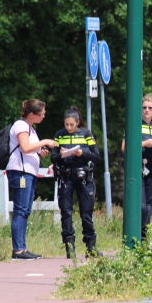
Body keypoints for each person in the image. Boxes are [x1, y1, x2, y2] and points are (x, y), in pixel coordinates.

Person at [7, 99, 56, 260]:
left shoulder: (31, 129)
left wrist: (39, 152)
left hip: (29, 173)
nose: (43, 116)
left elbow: (29, 150)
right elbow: (25, 147)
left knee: (25, 210)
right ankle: (18, 250)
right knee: (20, 210)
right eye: (41, 114)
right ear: (32, 114)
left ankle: (22, 247)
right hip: (21, 172)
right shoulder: (21, 126)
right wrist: (45, 142)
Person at [51, 106, 101, 259]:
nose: (69, 127)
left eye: (71, 125)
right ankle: (69, 246)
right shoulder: (59, 135)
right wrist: (60, 155)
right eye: (66, 124)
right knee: (66, 212)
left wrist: (82, 153)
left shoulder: (86, 134)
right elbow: (53, 158)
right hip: (66, 176)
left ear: (77, 123)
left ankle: (90, 246)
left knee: (86, 212)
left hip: (83, 177)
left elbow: (96, 155)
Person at [121, 94, 152, 242]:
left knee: (150, 204)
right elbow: (125, 148)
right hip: (137, 168)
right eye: (144, 107)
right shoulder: (134, 125)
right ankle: (136, 235)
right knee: (142, 205)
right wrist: (145, 144)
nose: (146, 110)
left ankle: (143, 238)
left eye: (150, 108)